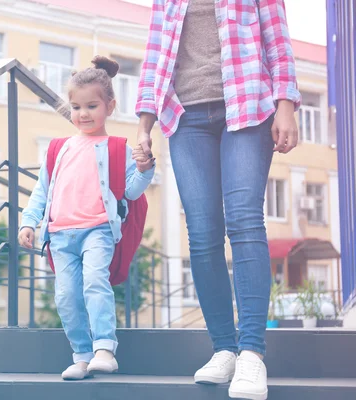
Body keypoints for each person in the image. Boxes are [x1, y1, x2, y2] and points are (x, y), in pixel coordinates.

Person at [134, 1, 300, 399]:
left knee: (244, 221)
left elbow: (277, 44)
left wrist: (286, 107)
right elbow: (156, 54)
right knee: (203, 234)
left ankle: (252, 354)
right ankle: (224, 347)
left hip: (245, 108)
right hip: (185, 117)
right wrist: (144, 125)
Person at [19, 56, 155, 380]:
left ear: (110, 106)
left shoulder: (117, 148)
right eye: (76, 107)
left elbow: (131, 192)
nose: (83, 114)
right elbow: (42, 190)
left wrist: (146, 169)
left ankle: (105, 348)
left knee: (95, 283)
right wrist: (28, 221)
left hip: (98, 230)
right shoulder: (58, 148)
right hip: (60, 236)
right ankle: (81, 355)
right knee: (66, 296)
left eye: (91, 106)